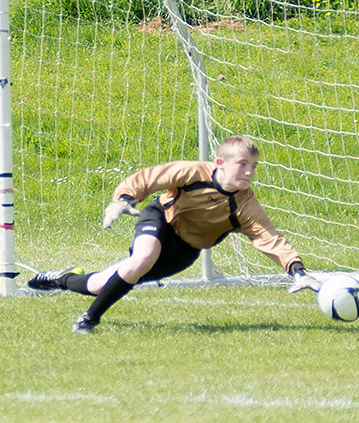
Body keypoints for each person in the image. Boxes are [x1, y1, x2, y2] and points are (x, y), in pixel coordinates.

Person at [27, 135, 321, 334]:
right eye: (242, 164)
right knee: (143, 257)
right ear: (220, 163)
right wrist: (124, 199)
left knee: (97, 284)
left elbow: (269, 237)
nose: (249, 172)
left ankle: (62, 279)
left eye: (253, 166)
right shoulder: (193, 172)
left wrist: (297, 270)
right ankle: (88, 320)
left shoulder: (244, 204)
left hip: (184, 252)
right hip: (161, 220)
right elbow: (149, 178)